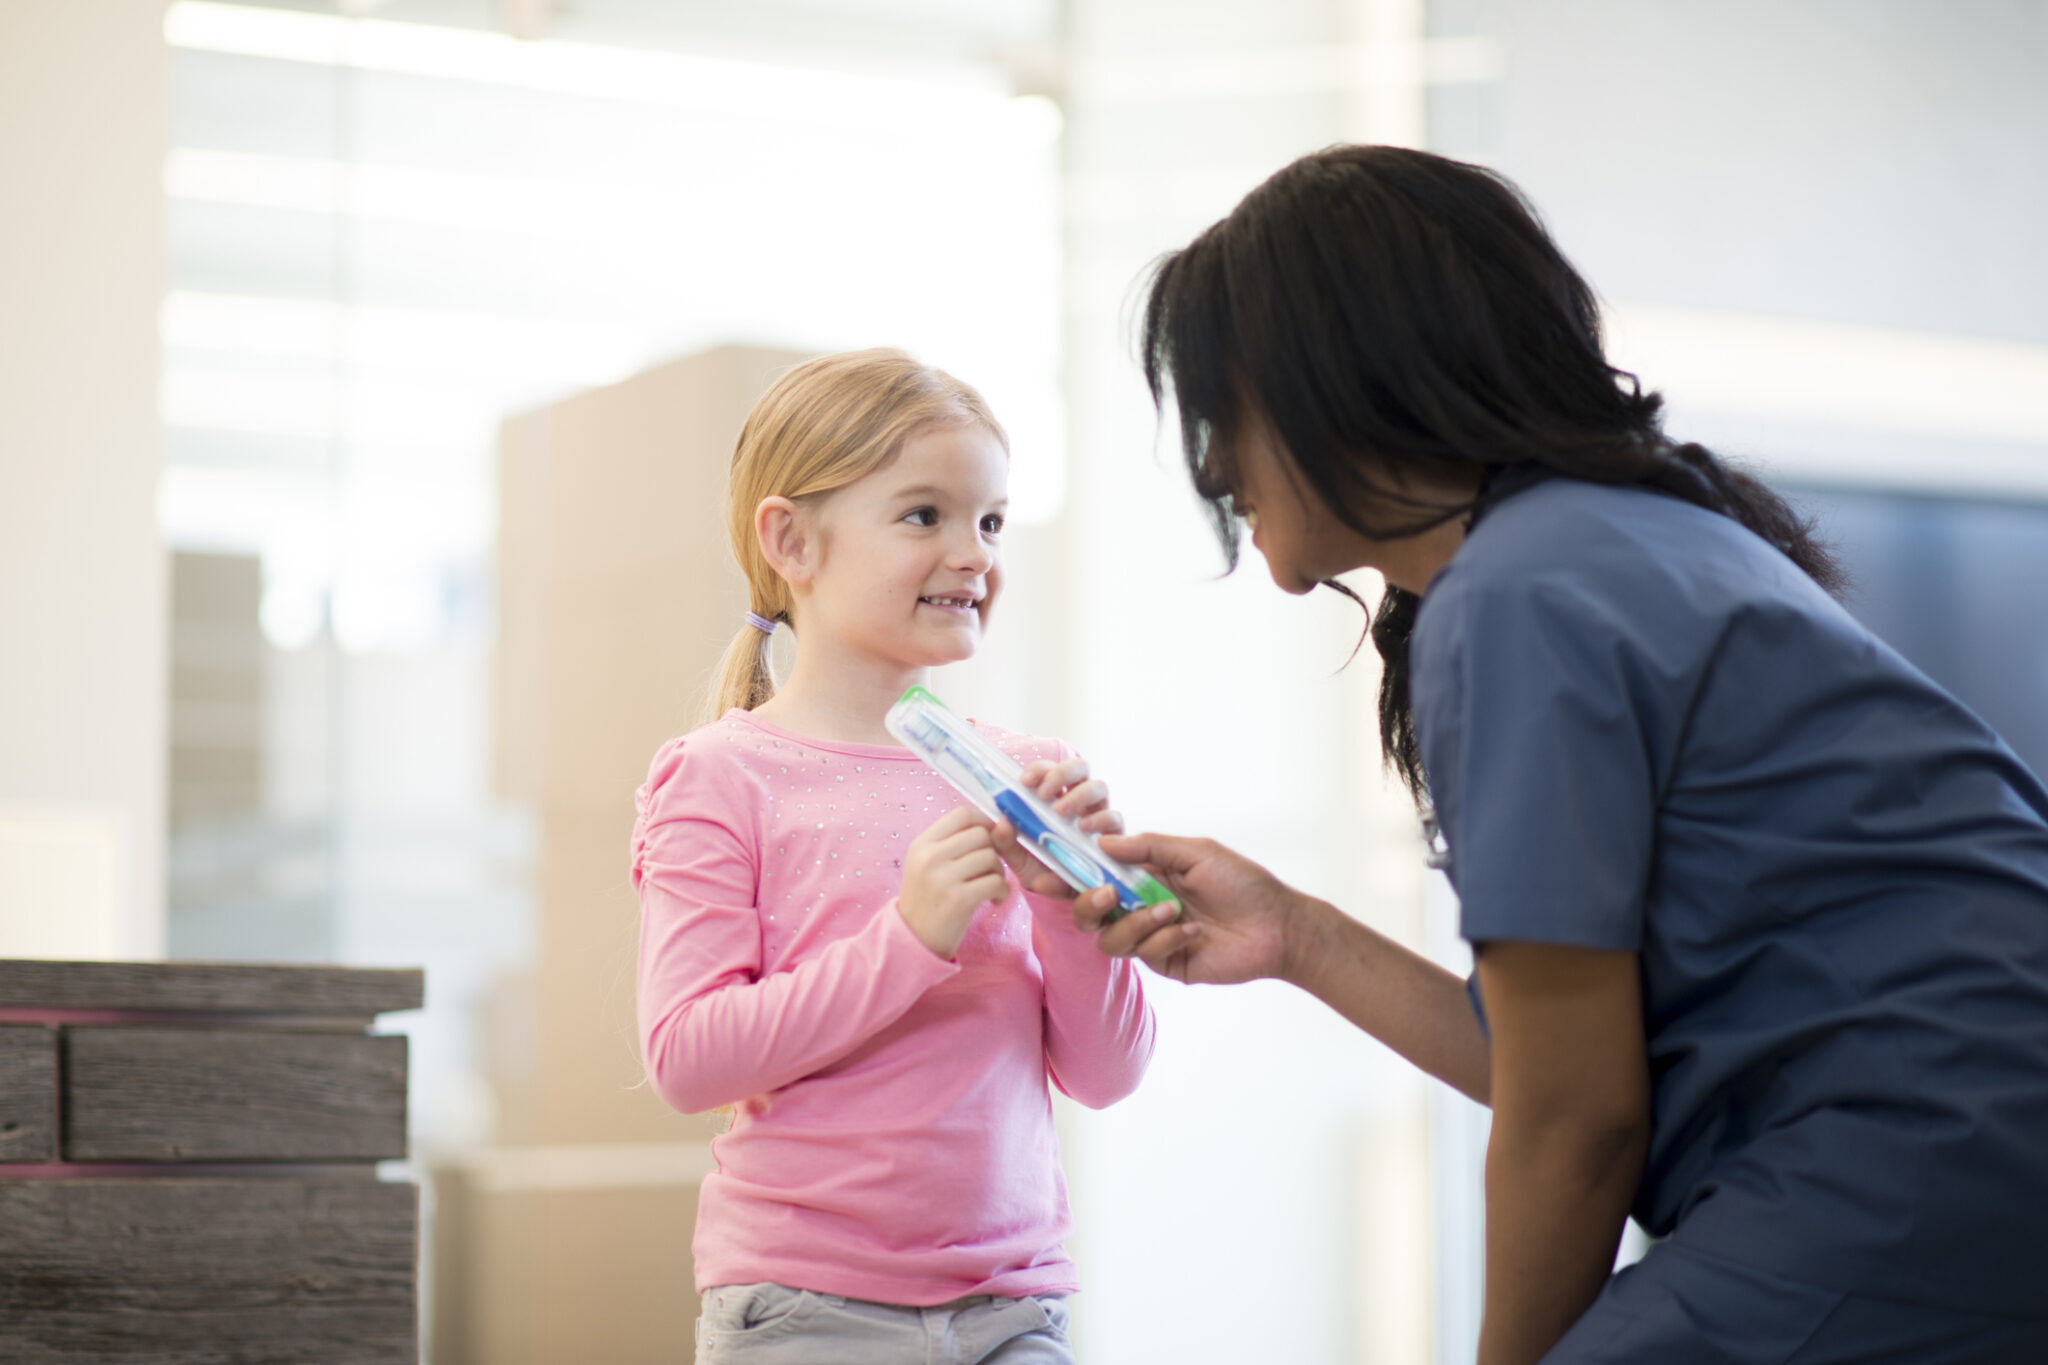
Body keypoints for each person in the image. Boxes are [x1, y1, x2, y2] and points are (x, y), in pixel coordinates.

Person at [1057, 146, 2048, 1364]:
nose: (1212, 466)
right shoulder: (1644, 541)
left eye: (1221, 406)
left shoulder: (1520, 594)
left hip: (1908, 1166)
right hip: (1962, 1152)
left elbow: (1577, 1121)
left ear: (1335, 377)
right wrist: (1297, 936)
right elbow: (1568, 1066)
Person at [632, 350, 1155, 1364]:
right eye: (924, 516)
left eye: (991, 521)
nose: (974, 555)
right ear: (790, 540)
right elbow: (688, 1060)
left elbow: (1108, 1073)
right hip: (804, 1310)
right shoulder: (719, 777)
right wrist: (910, 937)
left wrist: (1069, 906)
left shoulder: (1032, 773)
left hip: (1016, 1307)